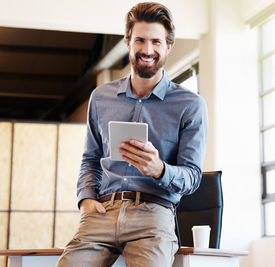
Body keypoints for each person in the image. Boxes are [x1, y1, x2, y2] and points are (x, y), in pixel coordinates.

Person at [56, 2, 208, 267]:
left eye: (156, 42)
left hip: (153, 215)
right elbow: (90, 158)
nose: (147, 50)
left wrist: (159, 169)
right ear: (128, 42)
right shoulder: (101, 97)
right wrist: (86, 198)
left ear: (168, 47)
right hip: (102, 212)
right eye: (140, 40)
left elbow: (193, 177)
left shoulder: (190, 105)